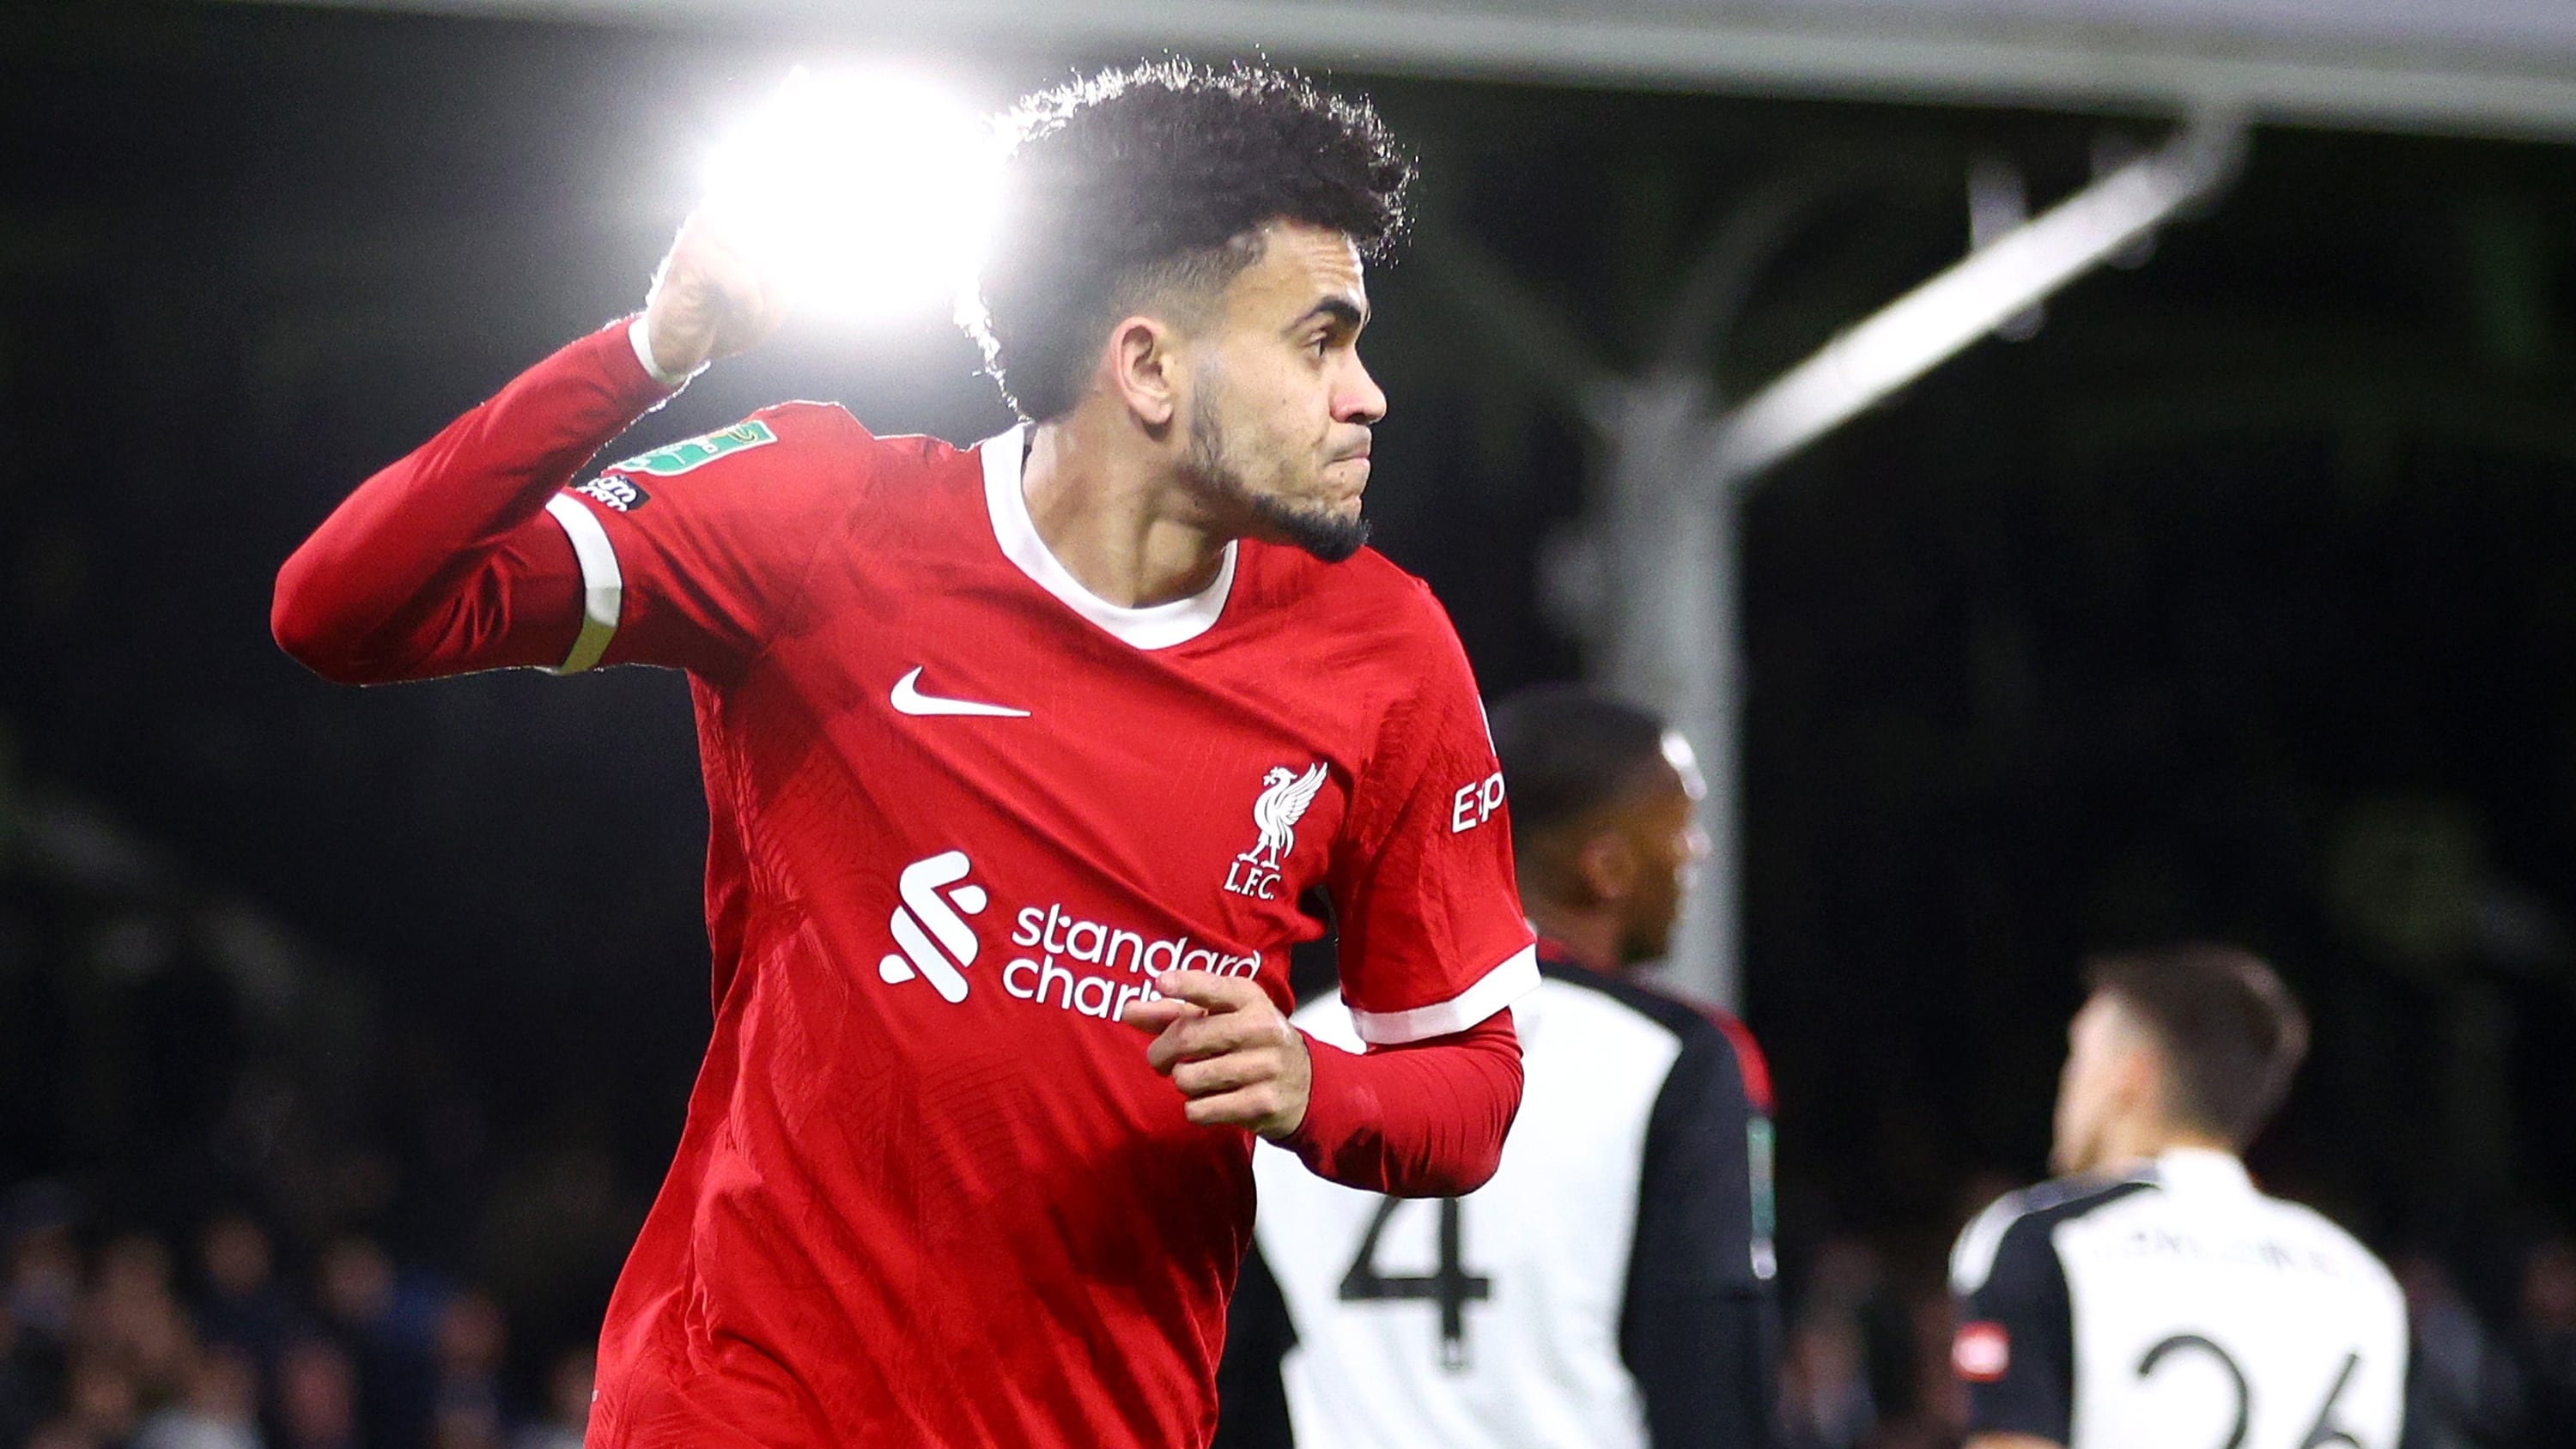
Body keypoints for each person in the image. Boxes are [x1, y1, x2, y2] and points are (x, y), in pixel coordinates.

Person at [270, 62, 1537, 1448]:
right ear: (1150, 366)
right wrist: (648, 351)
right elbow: (346, 609)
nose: (1369, 396)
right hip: (745, 1405)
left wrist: (1318, 1085)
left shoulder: (1383, 650)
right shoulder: (825, 512)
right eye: (1320, 340)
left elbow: (1471, 1083)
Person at [1224, 686, 1777, 1447]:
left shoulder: (1283, 1049)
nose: (1696, 852)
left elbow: (1233, 1370)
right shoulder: (1675, 1058)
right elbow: (1711, 1369)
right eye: (1679, 827)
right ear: (1605, 867)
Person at [1948, 944, 2406, 1449]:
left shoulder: (2046, 1240)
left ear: (2130, 1075)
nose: (2067, 1088)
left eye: (2079, 1058)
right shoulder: (2363, 1280)